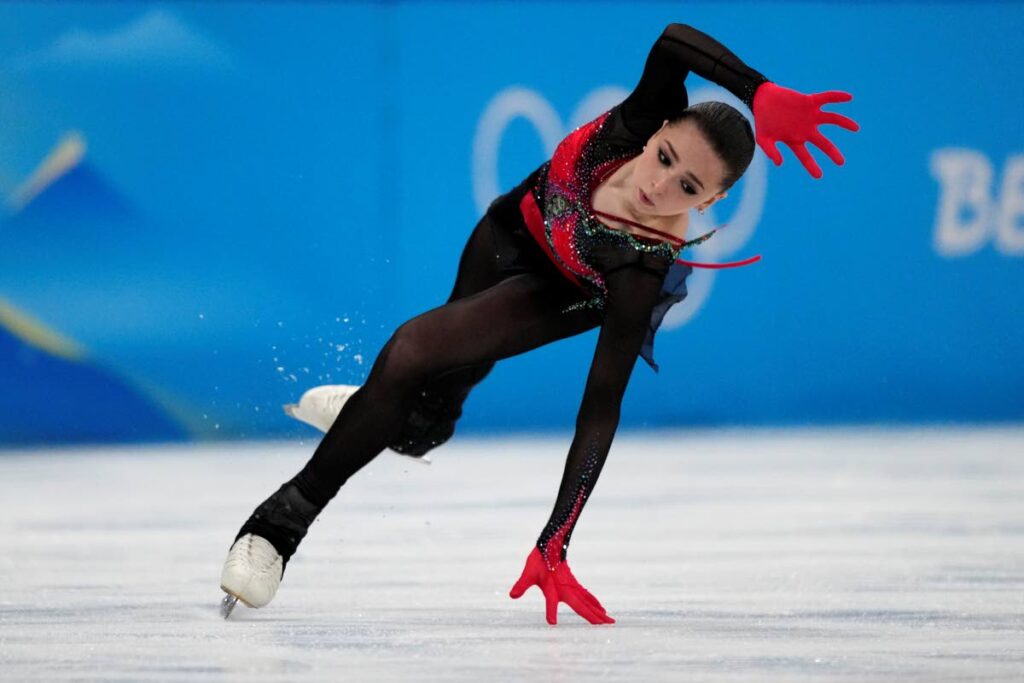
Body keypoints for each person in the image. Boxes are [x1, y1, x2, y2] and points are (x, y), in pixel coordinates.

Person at [219, 22, 859, 624]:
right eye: (664, 157)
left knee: (415, 359)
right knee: (422, 402)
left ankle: (276, 528)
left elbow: (600, 409)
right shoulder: (639, 115)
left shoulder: (640, 268)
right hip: (506, 233)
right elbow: (673, 39)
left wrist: (556, 540)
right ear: (658, 126)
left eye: (688, 188)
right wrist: (759, 90)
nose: (660, 187)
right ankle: (377, 411)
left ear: (713, 202)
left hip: (559, 294)